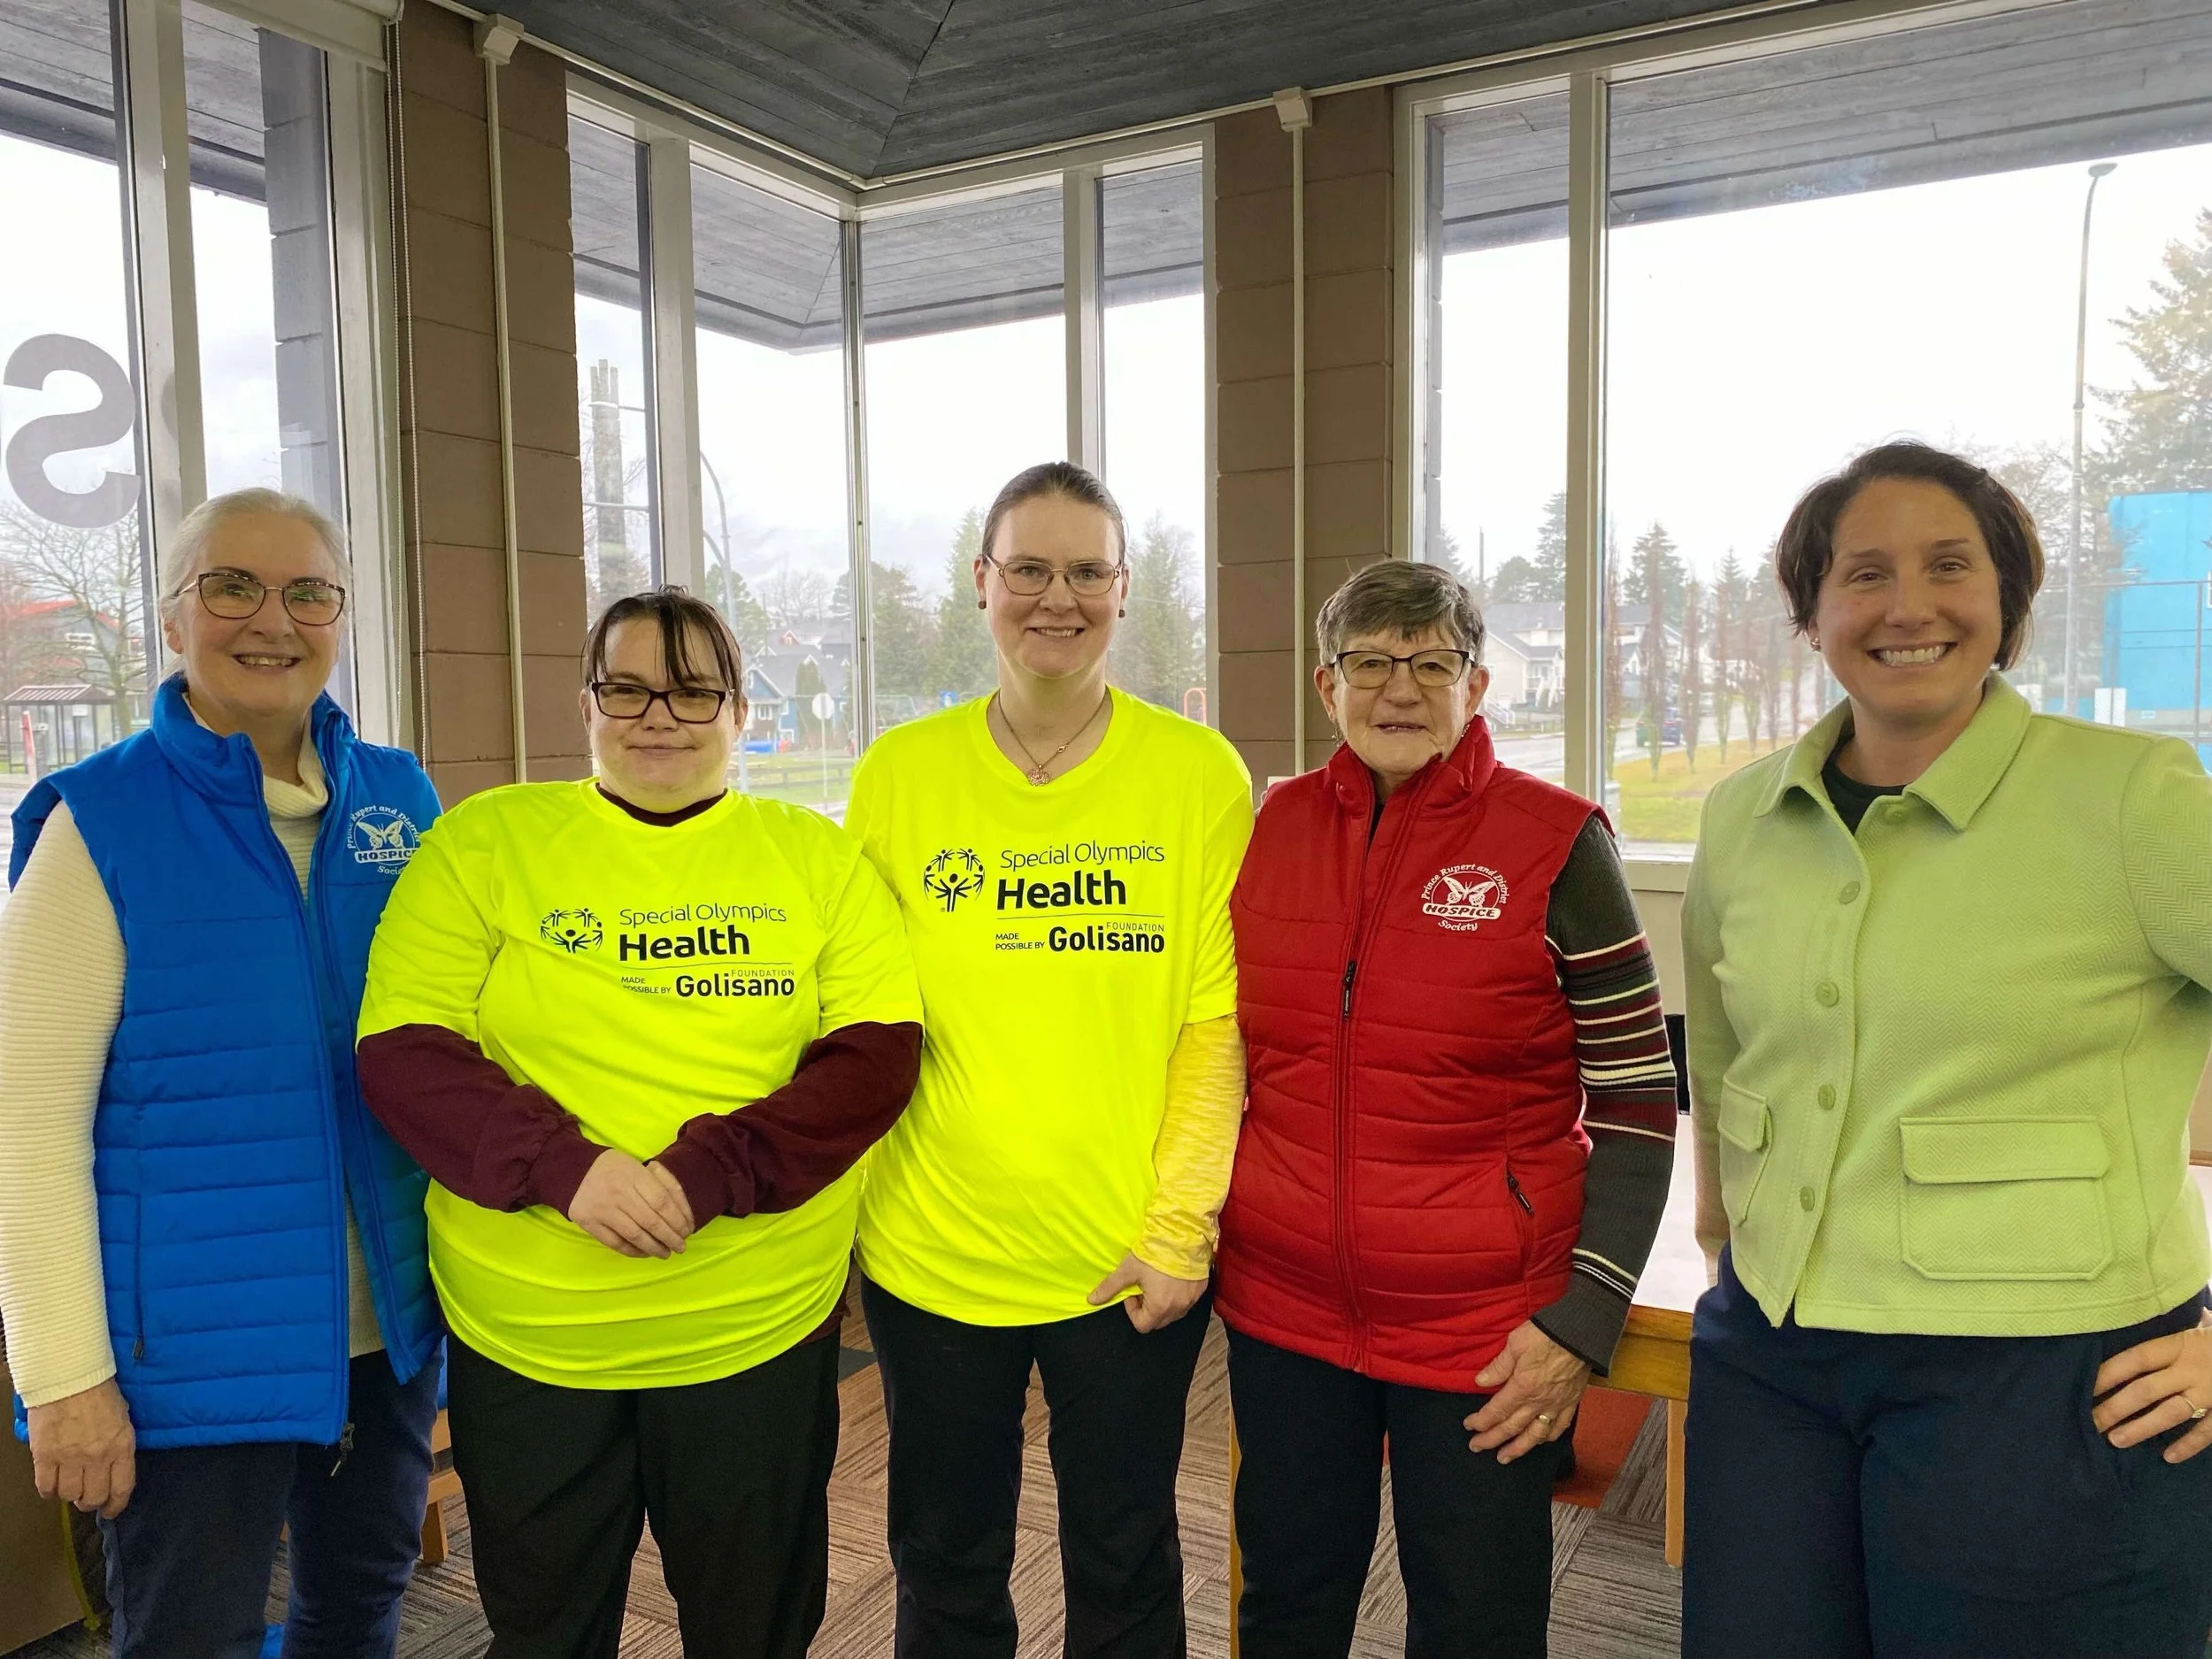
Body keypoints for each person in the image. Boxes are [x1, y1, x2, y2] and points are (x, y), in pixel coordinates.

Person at [1681, 441, 2212, 1659]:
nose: (1907, 604)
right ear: (1812, 614)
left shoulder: (2133, 797)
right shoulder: (1742, 814)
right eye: (1863, 573)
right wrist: (1724, 1241)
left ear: (2008, 598)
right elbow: (1721, 1055)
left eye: (1948, 566)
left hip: (2052, 1377)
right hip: (1776, 1351)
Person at [355, 587, 923, 1659]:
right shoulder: (487, 841)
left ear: (741, 711)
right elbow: (405, 1055)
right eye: (626, 687)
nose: (658, 715)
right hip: (533, 1340)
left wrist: (710, 1171)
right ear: (585, 705)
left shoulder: (814, 857)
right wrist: (568, 1171)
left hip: (749, 1330)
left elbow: (872, 1061)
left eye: (692, 689)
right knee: (546, 1629)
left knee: (752, 1624)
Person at [0, 488, 444, 1659]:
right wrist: (64, 1375)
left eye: (309, 591)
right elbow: (27, 1131)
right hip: (185, 1358)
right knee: (189, 1635)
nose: (272, 619)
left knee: (358, 1606)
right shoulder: (95, 824)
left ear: (342, 616)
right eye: (231, 585)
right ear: (171, 617)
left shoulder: (398, 799)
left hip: (379, 1334)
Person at [1215, 560, 1677, 1658]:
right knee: (1284, 1602)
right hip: (1284, 1310)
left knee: (1477, 1620)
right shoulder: (1265, 829)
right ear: (1326, 687)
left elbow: (1637, 1096)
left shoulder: (1558, 842)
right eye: (1370, 663)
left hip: (1485, 1328)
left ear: (1476, 686)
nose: (1400, 689)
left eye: (1432, 662)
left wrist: (1584, 1319)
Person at [845, 460, 1251, 1658]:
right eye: (1030, 568)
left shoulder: (1197, 776)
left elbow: (1213, 1023)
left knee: (1123, 1558)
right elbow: (854, 1018)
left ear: (1124, 591)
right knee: (943, 1556)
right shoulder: (898, 775)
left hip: (1125, 1260)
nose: (1055, 596)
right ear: (983, 582)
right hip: (932, 1252)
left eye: (1085, 571)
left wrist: (1180, 1226)